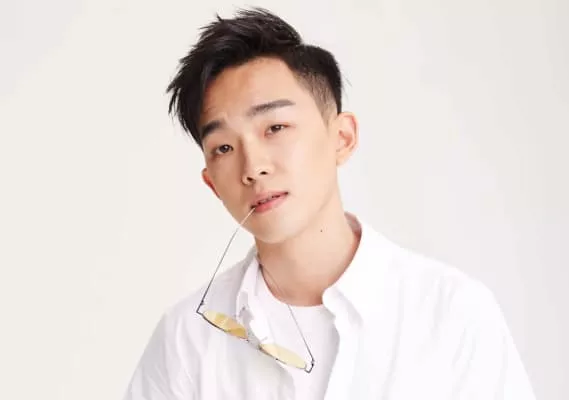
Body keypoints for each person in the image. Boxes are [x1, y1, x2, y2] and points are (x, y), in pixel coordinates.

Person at [123, 7, 536, 400]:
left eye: (275, 127)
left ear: (342, 138)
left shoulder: (450, 313)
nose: (253, 167)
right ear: (211, 183)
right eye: (224, 147)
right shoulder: (186, 340)